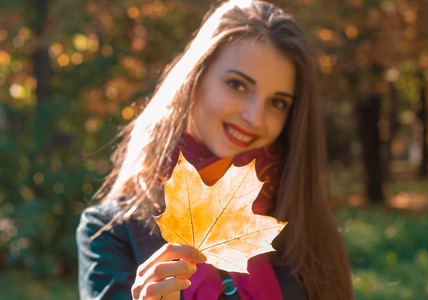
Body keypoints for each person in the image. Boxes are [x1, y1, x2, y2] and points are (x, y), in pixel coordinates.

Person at [76, 0, 354, 299]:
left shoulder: (298, 217)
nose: (254, 117)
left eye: (277, 103)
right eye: (237, 85)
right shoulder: (111, 231)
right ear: (194, 80)